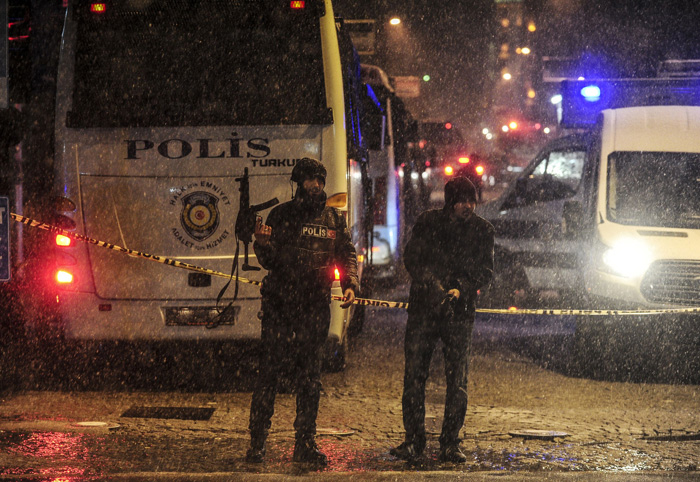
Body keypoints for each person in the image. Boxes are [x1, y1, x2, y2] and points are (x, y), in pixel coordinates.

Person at [245, 157, 358, 465]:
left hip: (315, 304)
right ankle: (257, 442)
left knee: (310, 377)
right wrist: (262, 244)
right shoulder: (280, 215)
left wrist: (350, 284)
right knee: (269, 372)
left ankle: (304, 443)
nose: (317, 186)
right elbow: (269, 262)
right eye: (311, 180)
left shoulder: (333, 219)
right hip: (281, 303)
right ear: (298, 183)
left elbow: (347, 253)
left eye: (320, 180)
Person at [390, 176, 494, 463]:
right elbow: (412, 259)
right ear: (450, 202)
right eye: (462, 201)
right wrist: (431, 285)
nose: (468, 207)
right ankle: (413, 440)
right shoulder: (428, 223)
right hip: (424, 310)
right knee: (414, 376)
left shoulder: (483, 231)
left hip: (459, 314)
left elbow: (486, 270)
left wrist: (461, 287)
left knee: (457, 381)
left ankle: (450, 442)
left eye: (472, 201)